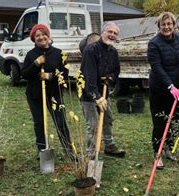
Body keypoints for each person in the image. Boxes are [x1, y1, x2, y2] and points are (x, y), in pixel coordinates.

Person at [21, 24, 75, 161]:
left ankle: (69, 150)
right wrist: (36, 64)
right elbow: (25, 74)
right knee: (39, 123)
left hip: (54, 95)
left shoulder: (58, 53)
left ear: (48, 36)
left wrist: (50, 76)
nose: (41, 37)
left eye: (43, 34)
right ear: (34, 38)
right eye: (37, 35)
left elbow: (65, 72)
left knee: (60, 122)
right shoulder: (31, 55)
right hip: (35, 96)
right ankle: (42, 150)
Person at [147, 12, 179, 169]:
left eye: (169, 24)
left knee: (175, 120)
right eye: (163, 24)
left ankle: (169, 149)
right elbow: (157, 67)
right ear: (159, 26)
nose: (166, 27)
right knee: (160, 121)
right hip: (161, 89)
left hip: (178, 88)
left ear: (174, 25)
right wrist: (169, 86)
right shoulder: (154, 44)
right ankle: (157, 153)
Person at [80, 22, 126, 159]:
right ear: (103, 33)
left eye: (115, 33)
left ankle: (109, 145)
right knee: (93, 124)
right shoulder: (91, 50)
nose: (112, 35)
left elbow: (116, 71)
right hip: (89, 94)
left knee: (107, 119)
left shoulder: (113, 52)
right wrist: (97, 96)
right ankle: (91, 154)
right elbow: (89, 77)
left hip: (104, 93)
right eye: (109, 32)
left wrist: (110, 78)